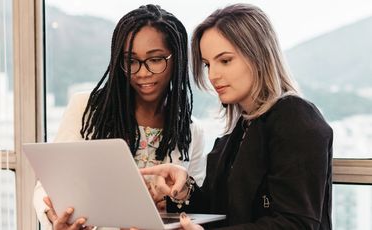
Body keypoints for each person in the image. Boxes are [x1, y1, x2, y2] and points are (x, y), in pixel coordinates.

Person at [141, 3, 333, 230]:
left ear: (258, 55)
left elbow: (296, 224)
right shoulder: (240, 129)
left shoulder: (295, 118)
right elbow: (220, 212)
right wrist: (184, 191)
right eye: (207, 64)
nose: (213, 75)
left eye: (225, 60)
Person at [33, 4, 207, 230]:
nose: (143, 73)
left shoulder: (191, 131)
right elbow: (47, 186)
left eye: (155, 60)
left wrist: (170, 206)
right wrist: (55, 217)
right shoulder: (87, 108)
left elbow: (194, 208)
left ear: (177, 60)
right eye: (131, 61)